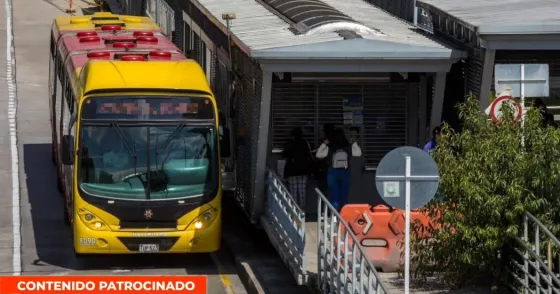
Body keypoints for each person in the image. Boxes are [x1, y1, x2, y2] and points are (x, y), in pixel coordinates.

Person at [316, 128, 362, 211]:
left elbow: (318, 155)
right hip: (345, 173)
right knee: (344, 197)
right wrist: (354, 143)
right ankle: (344, 216)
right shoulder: (347, 147)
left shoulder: (330, 148)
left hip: (332, 173)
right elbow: (359, 153)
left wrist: (323, 144)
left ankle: (335, 217)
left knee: (334, 197)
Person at [282, 127, 314, 210]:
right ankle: (302, 211)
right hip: (303, 170)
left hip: (292, 171)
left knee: (293, 192)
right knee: (302, 191)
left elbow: (284, 154)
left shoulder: (289, 143)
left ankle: (294, 210)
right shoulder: (305, 143)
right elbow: (310, 155)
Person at [316, 124, 335, 195]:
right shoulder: (336, 141)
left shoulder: (327, 141)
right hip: (335, 168)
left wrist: (323, 144)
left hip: (326, 167)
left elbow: (319, 155)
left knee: (324, 190)